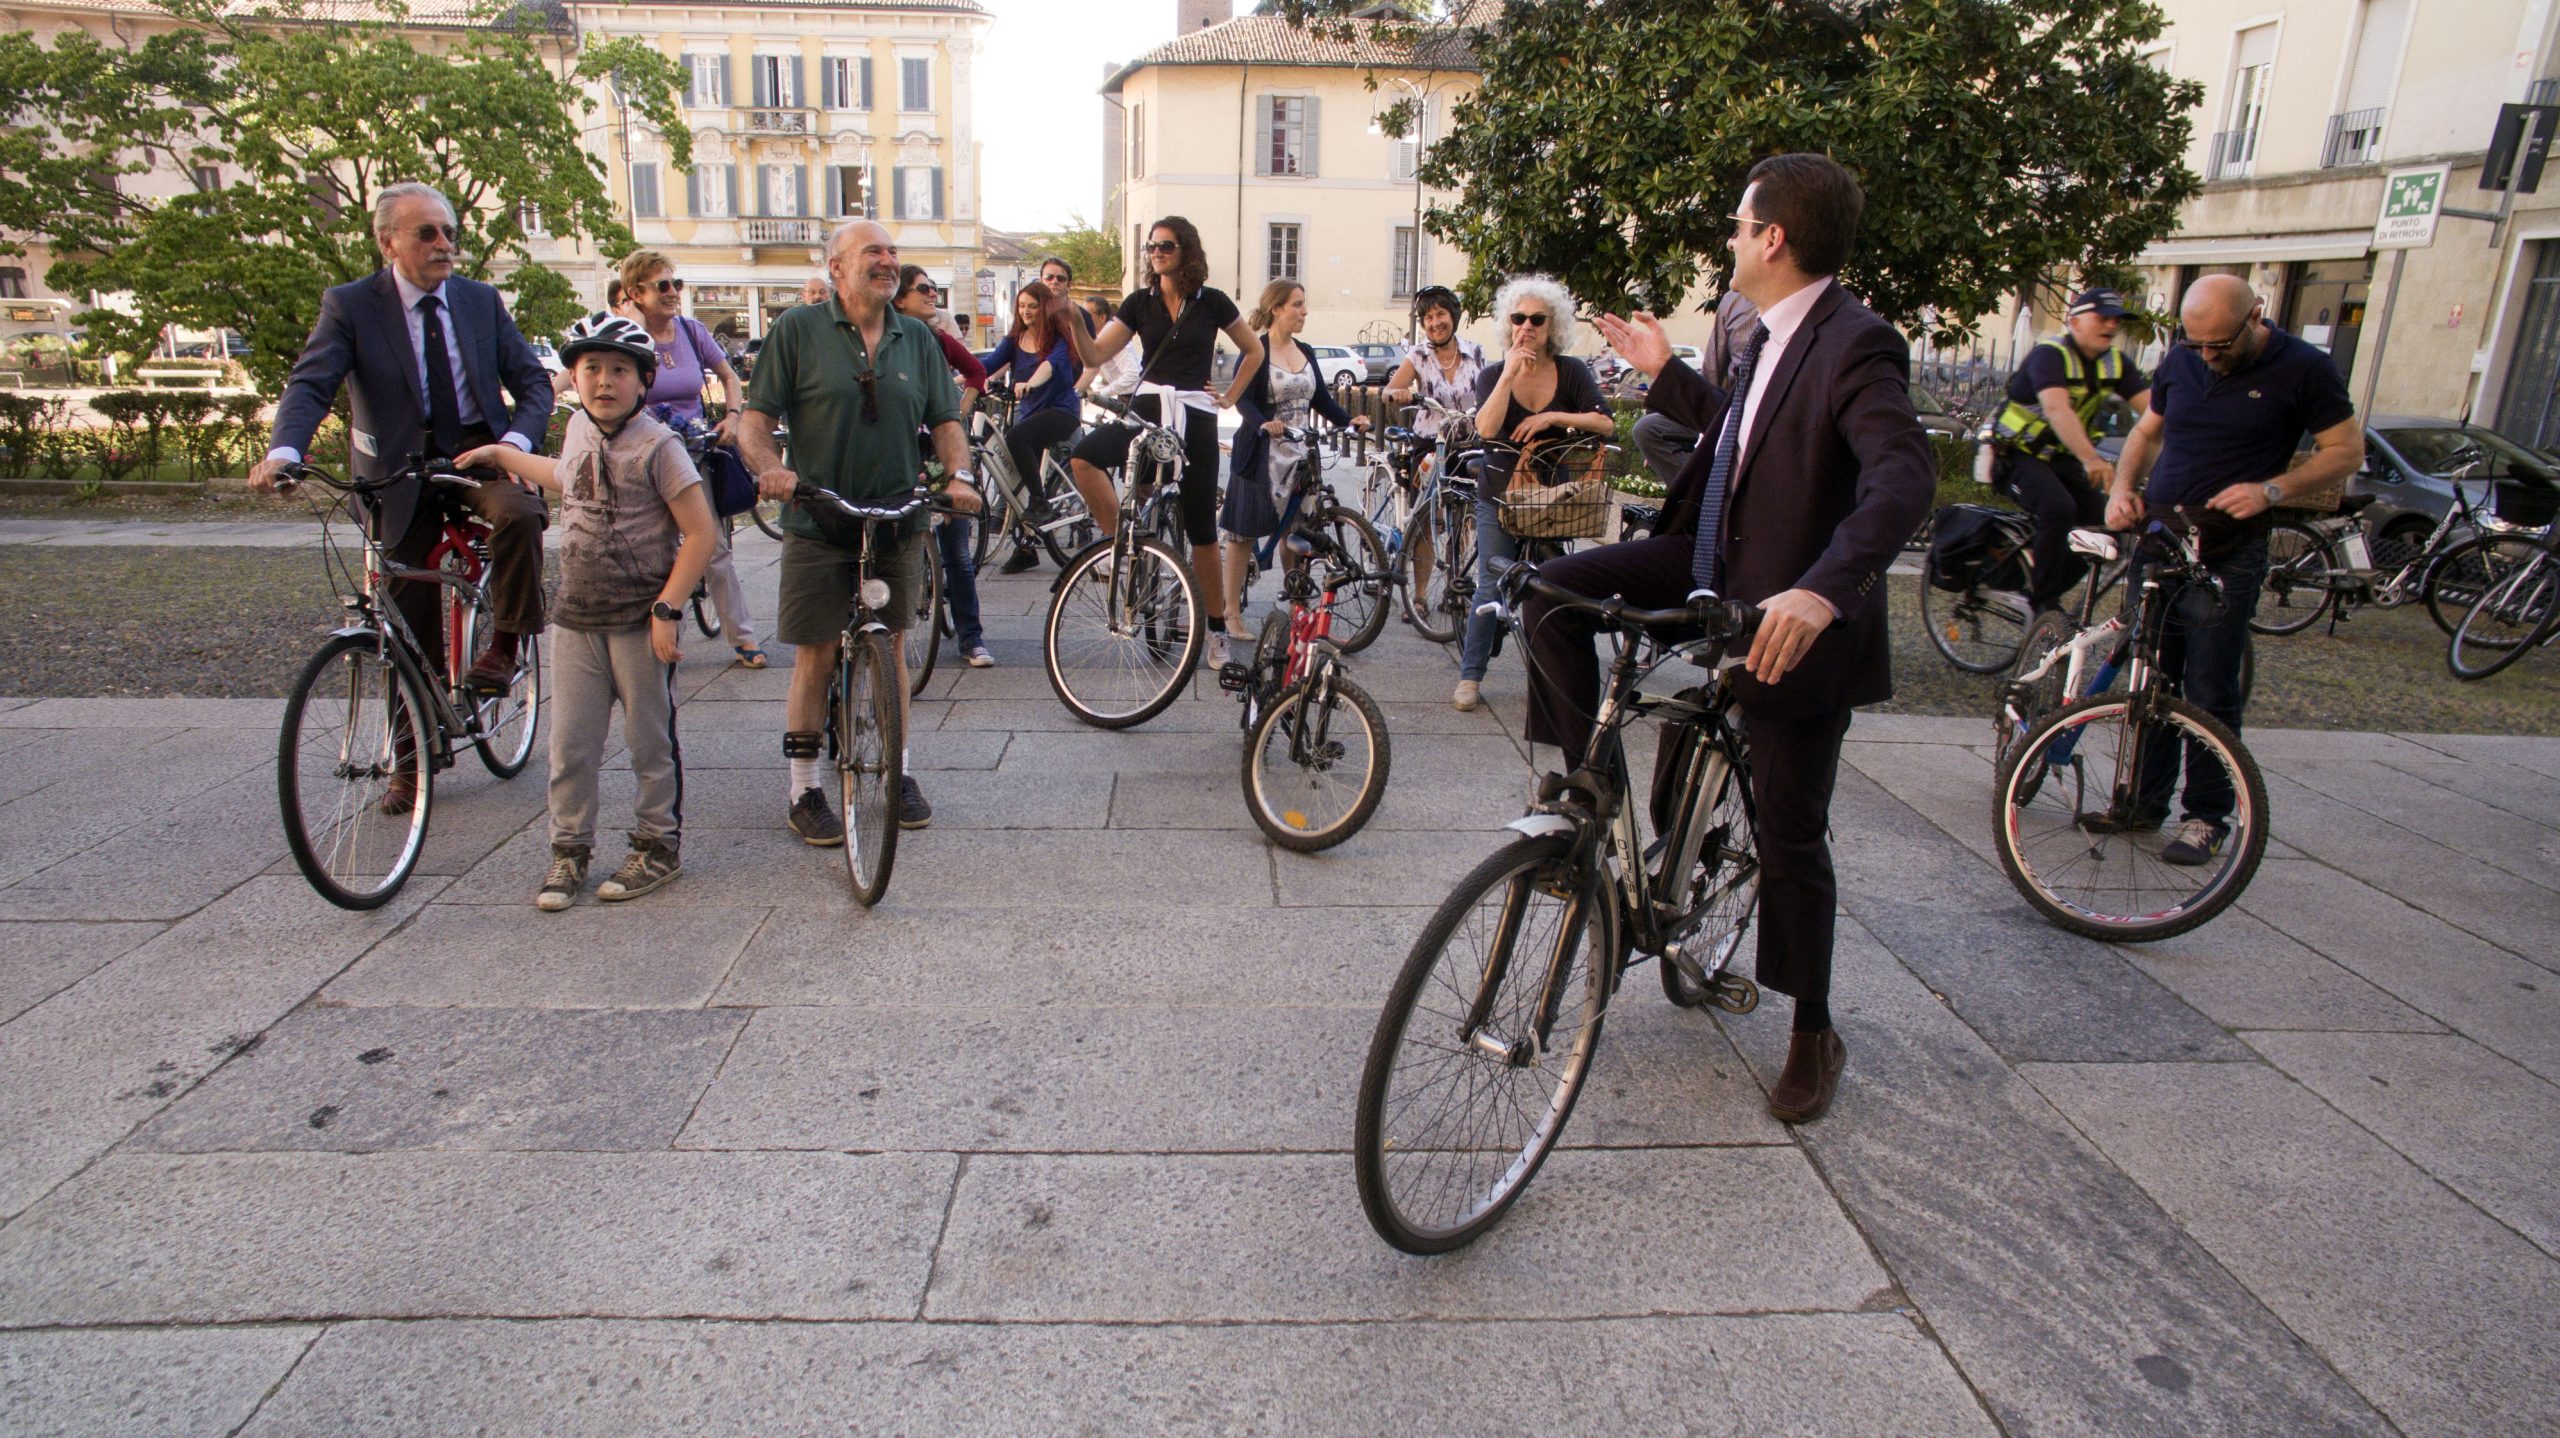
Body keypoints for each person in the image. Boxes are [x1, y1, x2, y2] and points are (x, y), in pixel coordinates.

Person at [1565, 153, 1934, 1124]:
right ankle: (1579, 789)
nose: (1729, 240)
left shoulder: (1858, 343)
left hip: (1790, 623)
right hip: (1709, 563)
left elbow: (1900, 479)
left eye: (1737, 225)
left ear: (1773, 237)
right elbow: (1745, 432)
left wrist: (1822, 591)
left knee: (1788, 830)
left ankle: (1814, 1031)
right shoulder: (1768, 335)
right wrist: (1663, 375)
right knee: (1552, 591)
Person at [251, 182, 553, 763]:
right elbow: (311, 384)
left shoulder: (479, 300)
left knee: (519, 515)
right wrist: (286, 451)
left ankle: (506, 647)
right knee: (403, 617)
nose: (446, 246)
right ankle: (413, 761)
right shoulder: (351, 305)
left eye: (450, 234)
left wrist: (513, 445)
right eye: (428, 234)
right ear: (388, 242)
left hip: (474, 451)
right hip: (395, 469)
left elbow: (533, 384)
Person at [456, 313, 719, 910]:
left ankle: (658, 844)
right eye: (591, 369)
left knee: (647, 740)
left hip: (637, 620)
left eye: (620, 370)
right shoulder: (576, 428)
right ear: (573, 378)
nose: (604, 381)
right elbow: (564, 479)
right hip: (575, 618)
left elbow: (700, 534)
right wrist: (504, 454)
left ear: (643, 382)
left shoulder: (660, 447)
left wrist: (667, 608)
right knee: (570, 745)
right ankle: (568, 849)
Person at [737, 220, 982, 840]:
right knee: (816, 650)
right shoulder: (798, 330)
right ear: (837, 267)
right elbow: (754, 420)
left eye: (893, 252)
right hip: (819, 516)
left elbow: (946, 419)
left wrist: (958, 474)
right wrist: (770, 469)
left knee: (894, 642)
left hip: (897, 514)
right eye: (873, 251)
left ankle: (897, 769)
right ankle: (804, 787)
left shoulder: (918, 340)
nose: (888, 260)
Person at [2104, 274, 2359, 864]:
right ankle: (2144, 802)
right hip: (2161, 537)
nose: (2210, 356)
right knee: (2151, 679)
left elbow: (2346, 452)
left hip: (2229, 549)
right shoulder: (2182, 360)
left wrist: (2273, 489)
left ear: (2256, 315)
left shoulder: (2304, 369)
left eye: (2220, 343)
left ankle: (2208, 817)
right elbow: (2147, 432)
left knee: (2209, 686)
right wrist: (2122, 488)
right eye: (2199, 345)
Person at [1069, 216, 1266, 666]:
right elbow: (1096, 354)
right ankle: (1121, 542)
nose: (1156, 252)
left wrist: (1230, 398)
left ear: (1186, 251)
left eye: (1166, 246)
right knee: (1085, 458)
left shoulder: (1212, 302)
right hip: (1150, 413)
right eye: (1151, 247)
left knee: (1201, 530)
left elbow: (1253, 351)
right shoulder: (1140, 302)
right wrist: (1074, 323)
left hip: (1194, 414)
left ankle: (1216, 630)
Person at [1451, 274, 1613, 713]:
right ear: (1508, 324)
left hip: (1551, 497)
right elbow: (1485, 429)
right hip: (1501, 492)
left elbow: (1605, 422)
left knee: (1553, 584)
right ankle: (1471, 675)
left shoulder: (1572, 371)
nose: (1527, 326)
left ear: (1552, 326)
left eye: (1537, 319)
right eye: (1519, 318)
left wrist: (1553, 417)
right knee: (1490, 586)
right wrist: (1508, 376)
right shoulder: (1492, 374)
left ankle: (1559, 678)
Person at [618, 249, 766, 669]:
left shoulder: (690, 330)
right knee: (646, 545)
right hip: (641, 458)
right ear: (636, 292)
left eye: (675, 284)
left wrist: (733, 417)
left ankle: (743, 637)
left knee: (713, 547)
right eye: (662, 285)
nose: (673, 293)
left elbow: (729, 378)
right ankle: (649, 631)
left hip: (692, 454)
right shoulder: (629, 335)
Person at [1988, 287, 2153, 610]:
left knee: (2104, 525)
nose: (2110, 326)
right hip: (2017, 455)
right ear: (2074, 322)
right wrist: (2091, 459)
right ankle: (2043, 605)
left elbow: (2154, 412)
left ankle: (2046, 584)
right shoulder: (2050, 355)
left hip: (2061, 460)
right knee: (2059, 509)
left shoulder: (2116, 363)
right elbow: (2056, 409)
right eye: (2102, 318)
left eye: (2115, 320)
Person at [1222, 280, 1369, 635]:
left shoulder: (1305, 351)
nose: (1304, 312)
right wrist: (1264, 423)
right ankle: (1230, 613)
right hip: (1260, 452)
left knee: (1297, 530)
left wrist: (1349, 421)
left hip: (1301, 453)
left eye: (1304, 305)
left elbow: (1321, 399)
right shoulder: (1256, 350)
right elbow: (1242, 399)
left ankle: (1295, 600)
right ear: (1277, 309)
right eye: (1297, 305)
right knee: (1242, 534)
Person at [892, 265, 995, 668]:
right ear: (900, 298)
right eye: (923, 290)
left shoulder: (936, 339)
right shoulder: (883, 340)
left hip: (939, 449)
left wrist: (958, 412)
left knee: (956, 549)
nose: (932, 295)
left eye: (934, 289)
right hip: (901, 451)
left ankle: (971, 637)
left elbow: (977, 371)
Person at [983, 281, 1083, 575]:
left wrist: (1029, 384)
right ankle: (1026, 548)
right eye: (1022, 305)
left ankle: (1040, 502)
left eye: (1033, 306)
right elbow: (988, 364)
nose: (1025, 311)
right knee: (1016, 477)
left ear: (1045, 308)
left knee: (1017, 437)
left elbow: (1049, 367)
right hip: (1031, 416)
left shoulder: (1059, 340)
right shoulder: (1014, 339)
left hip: (1060, 413)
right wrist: (956, 379)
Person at [1631, 291, 1761, 487]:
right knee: (1649, 428)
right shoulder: (1733, 301)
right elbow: (1711, 373)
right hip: (1731, 414)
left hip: (1775, 419)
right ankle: (1699, 497)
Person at [1077, 295, 1142, 399]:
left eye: (1086, 315)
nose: (1082, 318)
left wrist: (1102, 393)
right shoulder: (1096, 337)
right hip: (1126, 394)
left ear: (1102, 317)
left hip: (1136, 395)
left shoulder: (1113, 336)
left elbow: (1133, 374)